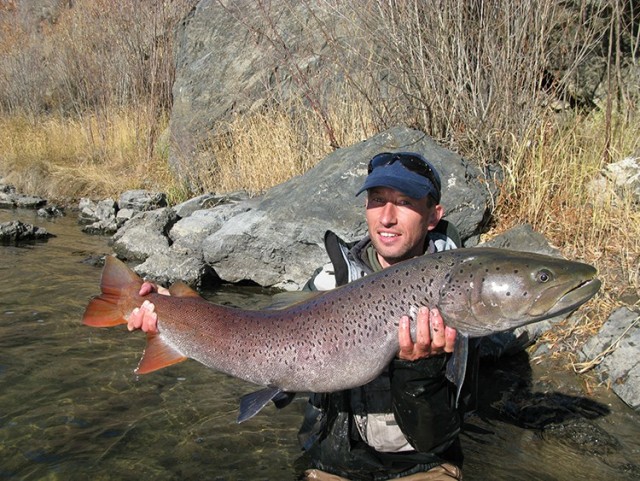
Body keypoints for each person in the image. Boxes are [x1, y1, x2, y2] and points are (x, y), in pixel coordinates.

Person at [127, 152, 470, 480]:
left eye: (405, 202)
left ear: (433, 215)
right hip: (330, 468)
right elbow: (263, 340)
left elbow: (441, 437)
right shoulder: (329, 280)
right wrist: (175, 310)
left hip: (421, 469)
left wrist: (420, 373)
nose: (387, 217)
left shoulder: (459, 295)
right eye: (377, 200)